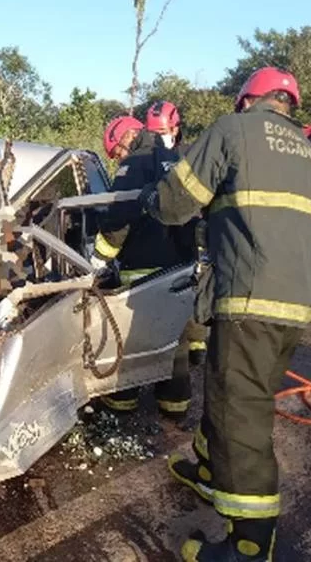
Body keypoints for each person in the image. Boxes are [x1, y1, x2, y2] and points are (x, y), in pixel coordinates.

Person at [138, 67, 311, 561]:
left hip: (250, 298)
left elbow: (179, 201)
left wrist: (150, 204)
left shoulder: (234, 129)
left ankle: (249, 543)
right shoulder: (309, 155)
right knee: (232, 393)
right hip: (296, 304)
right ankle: (209, 473)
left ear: (247, 101)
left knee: (240, 412)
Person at [91, 115, 196, 420]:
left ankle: (122, 402)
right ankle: (175, 405)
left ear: (125, 138)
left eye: (117, 153)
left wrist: (100, 256)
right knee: (173, 337)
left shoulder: (135, 162)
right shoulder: (173, 157)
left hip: (142, 271)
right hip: (178, 265)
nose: (119, 159)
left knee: (132, 336)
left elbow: (119, 215)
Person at [145, 99, 209, 365]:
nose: (161, 140)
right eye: (155, 135)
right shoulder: (148, 158)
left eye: (163, 133)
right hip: (161, 232)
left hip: (190, 229)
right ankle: (173, 341)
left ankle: (197, 345)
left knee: (193, 288)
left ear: (175, 128)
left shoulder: (191, 154)